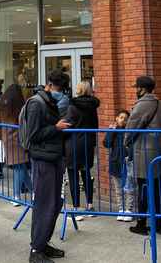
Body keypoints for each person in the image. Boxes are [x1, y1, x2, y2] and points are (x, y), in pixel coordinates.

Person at [24, 69, 70, 263]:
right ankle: (36, 250)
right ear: (49, 85)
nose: (60, 92)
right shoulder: (36, 103)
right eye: (58, 88)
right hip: (43, 159)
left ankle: (43, 243)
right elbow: (32, 136)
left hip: (54, 157)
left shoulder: (50, 102)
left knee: (54, 203)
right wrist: (56, 128)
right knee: (45, 204)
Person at [125, 75, 161, 236]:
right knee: (157, 187)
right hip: (158, 150)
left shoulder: (142, 104)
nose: (135, 90)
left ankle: (141, 223)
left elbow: (131, 127)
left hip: (144, 152)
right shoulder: (159, 103)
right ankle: (159, 224)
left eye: (136, 87)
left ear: (142, 89)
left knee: (143, 187)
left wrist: (126, 142)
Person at [65, 80, 100, 219]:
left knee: (73, 174)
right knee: (86, 173)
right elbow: (95, 126)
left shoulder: (72, 106)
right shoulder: (93, 106)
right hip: (88, 143)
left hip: (73, 143)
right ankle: (90, 205)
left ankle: (76, 207)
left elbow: (68, 124)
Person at [0, 84, 32, 205]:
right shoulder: (20, 106)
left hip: (7, 139)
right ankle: (16, 196)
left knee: (20, 167)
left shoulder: (1, 105)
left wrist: (0, 136)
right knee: (19, 167)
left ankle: (33, 191)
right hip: (18, 139)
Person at [104, 109, 135, 222]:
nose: (123, 120)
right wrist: (112, 131)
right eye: (121, 117)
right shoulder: (113, 130)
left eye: (126, 119)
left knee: (129, 188)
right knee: (118, 189)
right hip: (115, 162)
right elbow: (106, 143)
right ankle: (120, 209)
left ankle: (129, 210)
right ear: (116, 118)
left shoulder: (129, 131)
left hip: (127, 162)